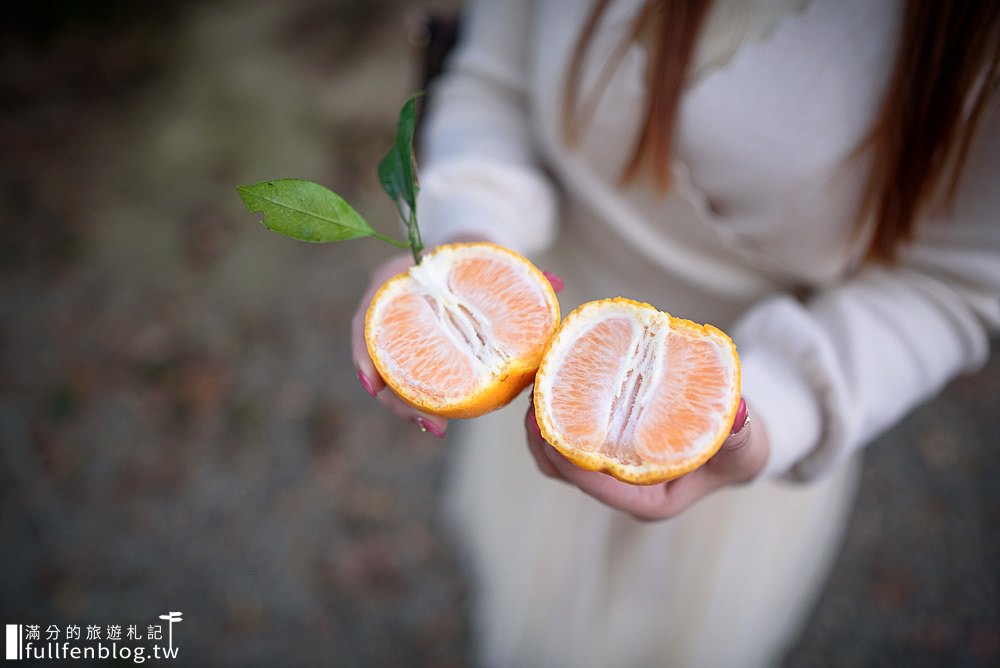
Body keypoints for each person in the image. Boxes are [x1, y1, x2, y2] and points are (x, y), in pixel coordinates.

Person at [352, 0, 1000, 665]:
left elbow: (953, 282)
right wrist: (468, 255)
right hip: (538, 366)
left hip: (740, 424)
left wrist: (783, 403)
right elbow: (493, 80)